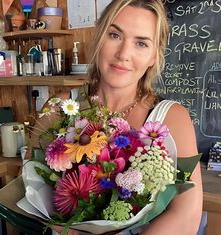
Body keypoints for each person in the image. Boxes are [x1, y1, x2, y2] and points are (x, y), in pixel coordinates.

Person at [27, 0, 203, 234]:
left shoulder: (172, 118)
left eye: (141, 43)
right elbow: (32, 191)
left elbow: (186, 214)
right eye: (114, 35)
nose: (123, 54)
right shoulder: (58, 108)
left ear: (154, 56)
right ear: (99, 38)